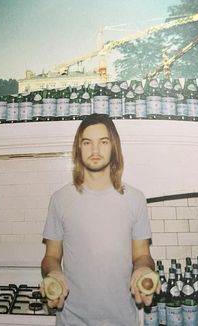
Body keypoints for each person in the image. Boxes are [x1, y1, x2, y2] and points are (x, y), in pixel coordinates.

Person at [41, 113, 160, 326]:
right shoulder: (60, 200)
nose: (95, 151)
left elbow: (142, 254)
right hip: (72, 321)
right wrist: (54, 272)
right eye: (87, 143)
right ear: (78, 148)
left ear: (113, 147)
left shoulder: (135, 199)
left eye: (103, 142)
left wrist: (143, 268)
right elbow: (50, 257)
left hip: (123, 319)